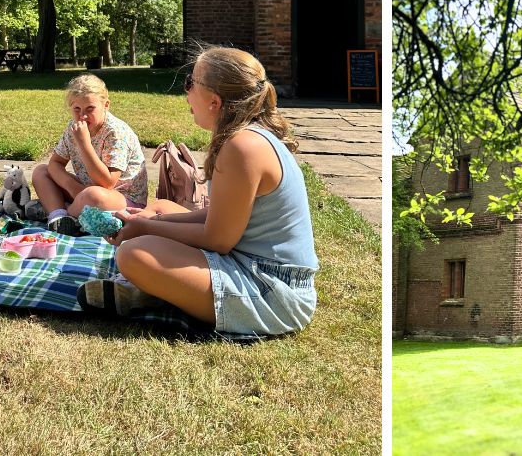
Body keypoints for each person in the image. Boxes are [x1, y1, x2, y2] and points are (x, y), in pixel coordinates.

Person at [89, 46, 318, 338]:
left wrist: (145, 228)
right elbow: (219, 217)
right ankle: (158, 288)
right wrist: (151, 222)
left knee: (133, 253)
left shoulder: (242, 147)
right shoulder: (248, 137)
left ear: (214, 101)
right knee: (161, 207)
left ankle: (152, 288)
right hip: (254, 265)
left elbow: (218, 239)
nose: (186, 91)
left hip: (271, 291)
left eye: (191, 82)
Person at [31, 73, 149, 236]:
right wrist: (73, 188)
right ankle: (58, 217)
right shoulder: (73, 127)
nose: (83, 116)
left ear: (106, 105)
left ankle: (64, 211)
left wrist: (84, 144)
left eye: (90, 109)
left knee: (92, 195)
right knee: (41, 171)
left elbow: (107, 184)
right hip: (84, 191)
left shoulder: (116, 133)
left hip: (122, 199)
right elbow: (55, 163)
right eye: (77, 109)